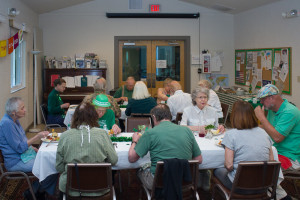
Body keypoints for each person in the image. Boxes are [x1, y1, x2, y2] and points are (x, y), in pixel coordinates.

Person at [128, 104, 202, 190]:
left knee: (140, 169)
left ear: (154, 117)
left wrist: (135, 141)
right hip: (184, 180)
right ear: (170, 116)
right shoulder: (187, 130)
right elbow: (199, 159)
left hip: (159, 182)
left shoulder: (150, 133)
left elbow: (132, 158)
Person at [56, 102, 118, 198]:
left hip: (72, 190)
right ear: (94, 116)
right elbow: (113, 161)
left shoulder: (65, 136)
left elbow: (59, 167)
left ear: (75, 117)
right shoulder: (102, 134)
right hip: (100, 188)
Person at [0, 97, 58, 198]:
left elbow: (22, 140)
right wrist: (37, 136)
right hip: (15, 161)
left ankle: (38, 189)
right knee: (51, 166)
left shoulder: (14, 120)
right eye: (22, 108)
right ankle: (35, 192)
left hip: (23, 155)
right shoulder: (7, 124)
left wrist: (32, 148)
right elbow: (19, 148)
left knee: (52, 163)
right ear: (14, 112)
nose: (25, 110)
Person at [214, 100, 273, 192]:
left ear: (234, 116)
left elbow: (229, 166)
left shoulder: (231, 135)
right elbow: (271, 161)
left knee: (217, 170)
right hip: (262, 185)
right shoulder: (264, 133)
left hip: (239, 186)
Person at [254, 84, 299, 200]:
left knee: (263, 171)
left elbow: (277, 137)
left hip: (289, 156)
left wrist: (262, 118)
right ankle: (274, 194)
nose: (261, 103)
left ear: (271, 98)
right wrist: (248, 128)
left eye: (262, 100)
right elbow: (268, 128)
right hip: (274, 150)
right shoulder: (273, 110)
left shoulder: (290, 112)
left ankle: (281, 197)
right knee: (252, 161)